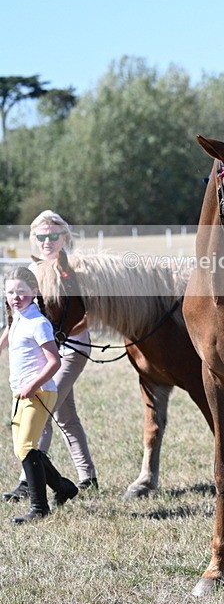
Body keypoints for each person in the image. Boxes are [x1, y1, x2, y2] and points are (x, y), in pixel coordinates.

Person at [2, 210, 97, 502]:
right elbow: (19, 320)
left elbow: (93, 311)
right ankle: (87, 477)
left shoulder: (77, 270)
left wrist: (66, 334)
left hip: (72, 349)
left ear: (64, 237)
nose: (47, 241)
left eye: (53, 235)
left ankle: (28, 481)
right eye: (41, 236)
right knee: (65, 414)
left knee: (41, 408)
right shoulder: (35, 270)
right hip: (45, 350)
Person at [2, 267, 79, 523]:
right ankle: (62, 487)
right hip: (21, 393)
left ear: (34, 292)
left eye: (22, 292)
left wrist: (33, 385)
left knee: (26, 447)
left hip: (40, 392)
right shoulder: (18, 318)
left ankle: (39, 507)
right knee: (23, 449)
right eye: (10, 292)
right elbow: (9, 336)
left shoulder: (38, 323)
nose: (16, 297)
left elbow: (54, 362)